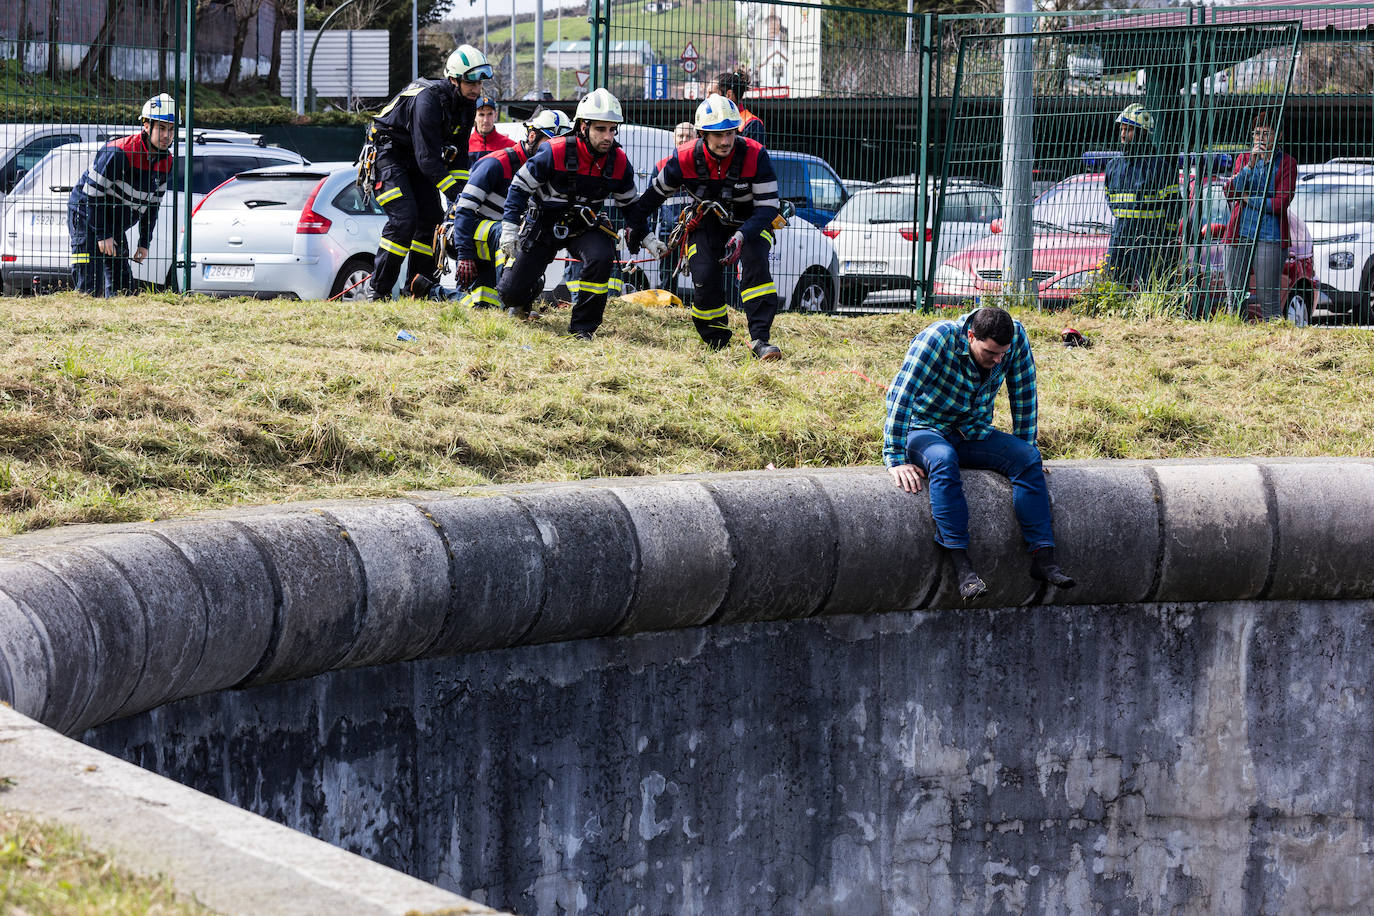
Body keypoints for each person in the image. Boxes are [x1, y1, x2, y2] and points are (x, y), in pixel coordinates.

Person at [884, 306, 1075, 601]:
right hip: (924, 429)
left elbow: (1024, 394)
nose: (998, 360)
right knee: (943, 460)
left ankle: (1044, 559)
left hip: (971, 431)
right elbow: (901, 394)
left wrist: (1027, 446)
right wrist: (896, 458)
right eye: (991, 353)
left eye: (1002, 354)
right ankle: (963, 570)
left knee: (1027, 459)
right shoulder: (938, 338)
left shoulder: (1016, 337)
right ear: (971, 336)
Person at [623, 94, 783, 358]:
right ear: (702, 134)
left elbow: (768, 208)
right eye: (718, 134)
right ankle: (716, 342)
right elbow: (653, 196)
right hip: (705, 220)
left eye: (730, 133)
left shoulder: (756, 154)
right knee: (705, 277)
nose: (726, 141)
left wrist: (742, 235)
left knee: (756, 265)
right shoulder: (684, 158)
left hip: (751, 223)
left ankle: (760, 340)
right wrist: (635, 225)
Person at [497, 88, 638, 339]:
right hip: (543, 224)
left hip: (584, 226)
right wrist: (509, 228)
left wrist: (646, 235)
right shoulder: (554, 151)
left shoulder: (618, 161)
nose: (608, 136)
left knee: (601, 256)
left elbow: (630, 205)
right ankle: (527, 293)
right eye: (601, 129)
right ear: (583, 126)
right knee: (509, 293)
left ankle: (583, 329)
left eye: (612, 129)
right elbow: (519, 187)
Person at [363, 44, 491, 300]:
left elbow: (459, 156)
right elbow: (427, 160)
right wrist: (456, 195)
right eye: (470, 82)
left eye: (480, 82)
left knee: (433, 220)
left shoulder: (467, 105)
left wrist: (463, 194)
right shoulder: (428, 100)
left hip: (418, 161)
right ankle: (378, 291)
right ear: (453, 79)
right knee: (405, 219)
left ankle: (419, 290)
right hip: (389, 155)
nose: (476, 89)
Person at [444, 109, 574, 310]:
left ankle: (429, 290)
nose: (554, 151)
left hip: (495, 241)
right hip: (464, 235)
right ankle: (514, 305)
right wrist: (464, 255)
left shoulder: (546, 171)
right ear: (532, 136)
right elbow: (464, 209)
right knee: (511, 232)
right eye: (549, 144)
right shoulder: (497, 163)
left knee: (482, 306)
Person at [67, 93, 175, 297]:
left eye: (171, 129)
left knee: (123, 285)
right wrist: (103, 235)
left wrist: (144, 243)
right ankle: (83, 310)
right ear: (146, 126)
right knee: (88, 282)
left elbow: (152, 207)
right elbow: (91, 196)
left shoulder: (167, 162)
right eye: (161, 128)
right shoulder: (119, 152)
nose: (166, 135)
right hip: (86, 213)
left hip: (114, 221)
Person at [1222, 113, 1296, 321]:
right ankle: (1236, 335)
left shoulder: (1287, 163)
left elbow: (1280, 204)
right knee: (1234, 297)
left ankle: (1273, 337)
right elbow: (1230, 192)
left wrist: (1247, 198)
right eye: (1257, 133)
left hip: (1270, 235)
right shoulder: (1244, 159)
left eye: (1266, 134)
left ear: (1278, 136)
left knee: (1268, 300)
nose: (1260, 138)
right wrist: (1250, 167)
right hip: (1239, 234)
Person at [1103, 103, 1180, 289]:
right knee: (1114, 286)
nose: (1123, 134)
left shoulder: (1159, 168)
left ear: (1143, 132)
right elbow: (1110, 199)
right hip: (1119, 235)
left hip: (1149, 237)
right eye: (1122, 129)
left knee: (1152, 288)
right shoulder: (1113, 167)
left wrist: (1166, 240)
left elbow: (1173, 207)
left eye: (1128, 129)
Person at [713, 69, 765, 145]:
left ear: (729, 95)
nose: (707, 98)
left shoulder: (752, 124)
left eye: (711, 93)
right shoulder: (710, 119)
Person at [468, 95, 517, 167]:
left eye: (490, 114)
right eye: (481, 115)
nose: (486, 120)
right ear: (474, 116)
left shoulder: (511, 146)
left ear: (495, 115)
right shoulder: (465, 145)